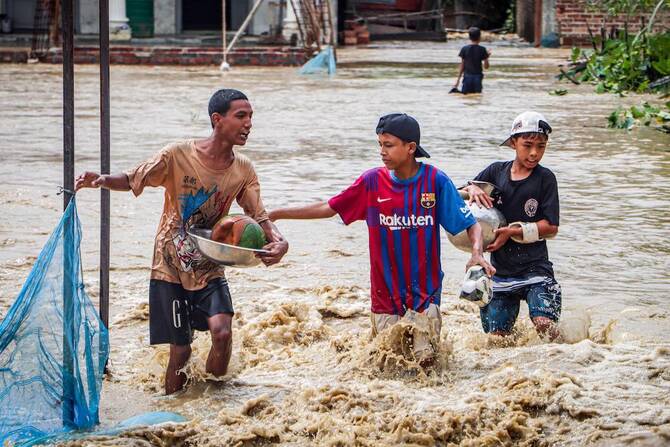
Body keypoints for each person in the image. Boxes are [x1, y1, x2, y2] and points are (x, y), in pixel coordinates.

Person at [75, 89, 289, 394]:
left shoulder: (244, 169)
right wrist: (103, 180)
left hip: (209, 264)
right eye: (241, 116)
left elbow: (261, 217)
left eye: (251, 117)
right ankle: (173, 409)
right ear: (218, 120)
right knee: (181, 351)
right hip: (169, 265)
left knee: (222, 332)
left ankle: (213, 400)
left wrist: (280, 243)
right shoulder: (177, 155)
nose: (249, 123)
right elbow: (135, 177)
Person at [269, 113, 494, 363]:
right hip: (384, 294)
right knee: (386, 363)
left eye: (388, 145)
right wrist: (277, 214)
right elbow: (329, 207)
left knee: (426, 361)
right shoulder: (372, 182)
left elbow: (470, 224)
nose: (382, 152)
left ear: (410, 148)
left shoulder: (435, 181)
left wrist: (477, 253)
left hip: (425, 293)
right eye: (380, 145)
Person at [463, 111, 561, 339]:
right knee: (497, 339)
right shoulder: (495, 172)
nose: (534, 153)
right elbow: (459, 196)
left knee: (544, 324)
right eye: (527, 145)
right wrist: (472, 188)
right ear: (513, 143)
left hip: (536, 270)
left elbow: (551, 227)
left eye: (541, 146)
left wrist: (512, 232)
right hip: (500, 273)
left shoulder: (546, 179)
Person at [453, 27, 491, 94]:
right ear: (479, 37)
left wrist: (458, 80)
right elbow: (486, 67)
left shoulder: (464, 49)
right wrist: (487, 57)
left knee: (465, 96)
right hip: (477, 78)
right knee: (477, 96)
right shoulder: (482, 49)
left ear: (469, 38)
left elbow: (462, 65)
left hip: (467, 77)